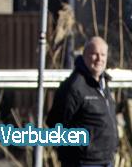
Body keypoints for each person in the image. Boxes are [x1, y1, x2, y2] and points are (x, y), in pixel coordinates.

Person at [47, 37, 118, 167]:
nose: (99, 59)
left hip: (106, 161)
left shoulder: (103, 85)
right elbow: (55, 123)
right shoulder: (74, 87)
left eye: (103, 55)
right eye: (94, 54)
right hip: (83, 162)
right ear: (84, 55)